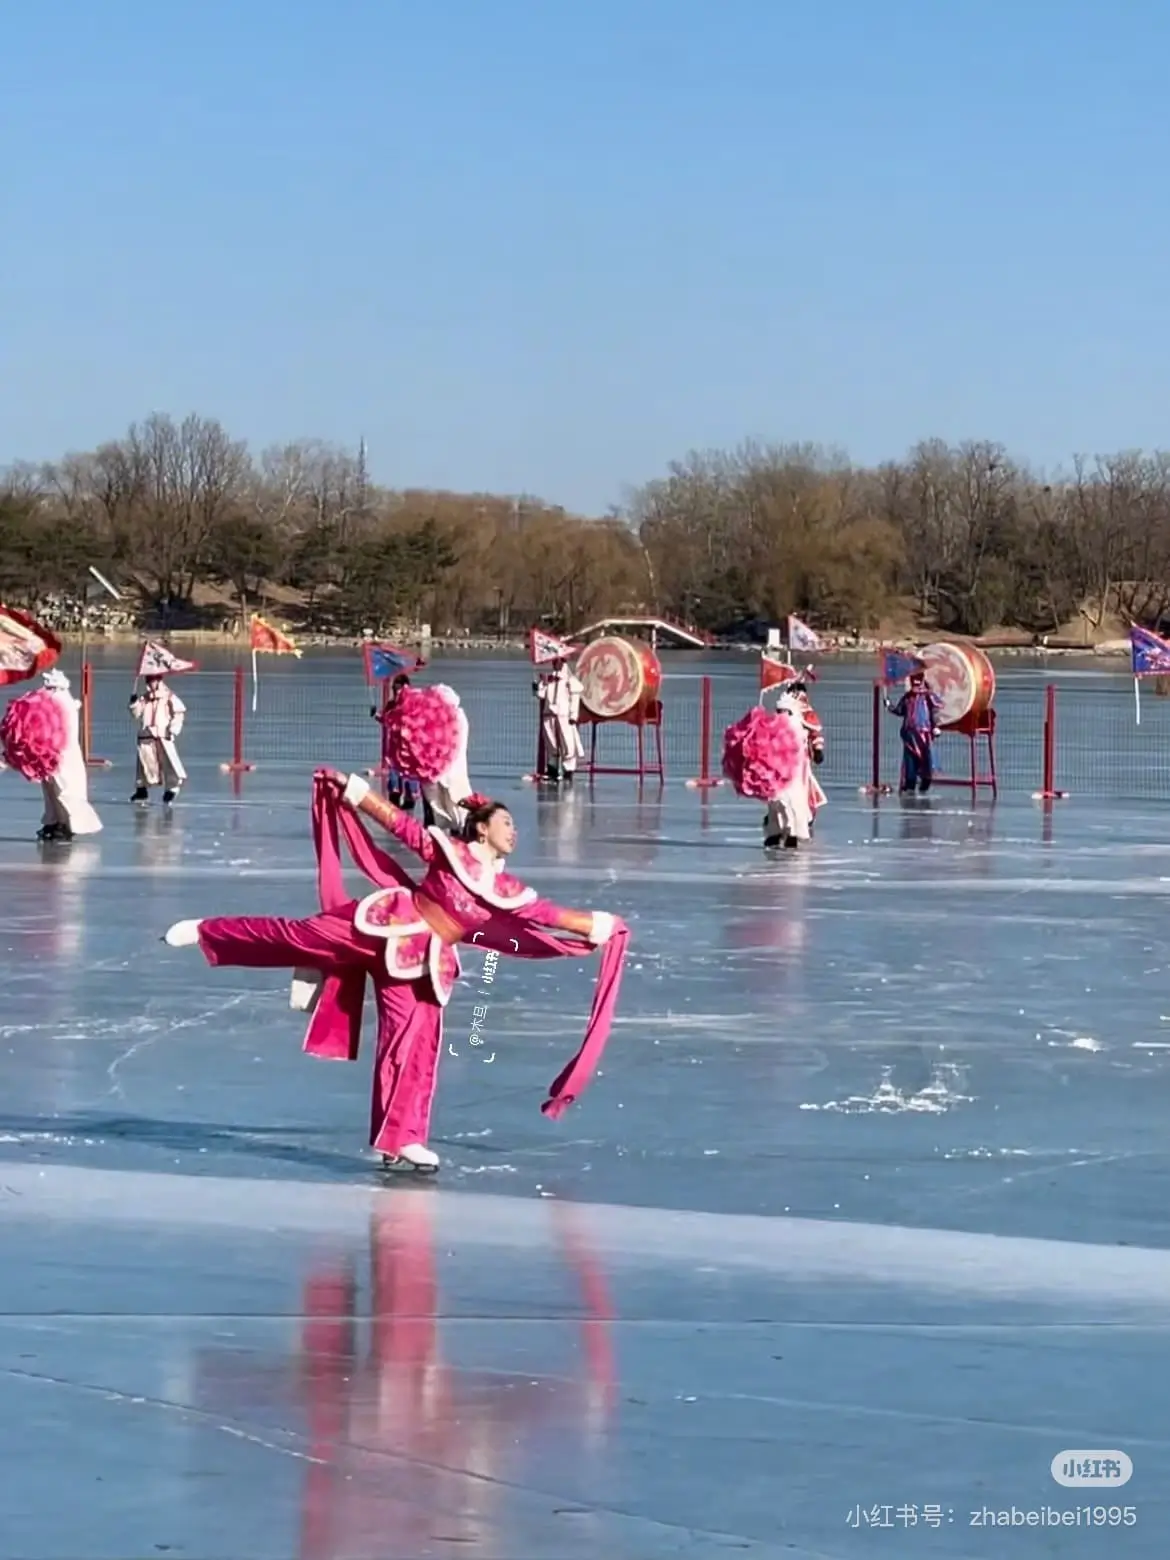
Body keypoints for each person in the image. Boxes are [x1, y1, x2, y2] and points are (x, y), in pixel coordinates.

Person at [162, 774, 628, 1174]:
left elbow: (547, 914)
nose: (515, 831)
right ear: (482, 828)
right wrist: (357, 792)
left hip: (423, 960)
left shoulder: (505, 887)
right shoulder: (449, 850)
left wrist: (598, 925)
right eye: (507, 822)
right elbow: (403, 827)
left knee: (413, 1044)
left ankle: (400, 1139)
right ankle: (206, 931)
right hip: (385, 923)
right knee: (296, 936)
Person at [36, 670, 102, 842]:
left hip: (62, 754)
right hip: (50, 753)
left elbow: (58, 729)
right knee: (51, 791)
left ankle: (67, 824)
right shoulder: (54, 702)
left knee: (64, 790)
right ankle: (54, 820)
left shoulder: (61, 703)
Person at [129, 674, 187, 805]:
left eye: (152, 681)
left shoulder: (168, 696)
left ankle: (172, 788)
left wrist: (173, 729)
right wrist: (134, 703)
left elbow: (179, 712)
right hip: (146, 735)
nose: (150, 684)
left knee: (169, 763)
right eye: (148, 682)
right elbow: (136, 714)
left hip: (163, 735)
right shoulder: (145, 698)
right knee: (144, 764)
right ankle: (141, 790)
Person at [371, 672, 421, 812]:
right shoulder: (392, 705)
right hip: (395, 750)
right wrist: (376, 715)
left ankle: (409, 813)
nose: (396, 692)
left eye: (398, 689)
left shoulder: (414, 705)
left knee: (410, 786)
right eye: (394, 689)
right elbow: (386, 720)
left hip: (410, 750)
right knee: (394, 785)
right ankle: (394, 815)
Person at [887, 669, 942, 793]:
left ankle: (925, 783)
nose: (916, 684)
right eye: (914, 680)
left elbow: (935, 712)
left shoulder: (928, 696)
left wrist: (936, 726)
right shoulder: (907, 697)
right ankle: (910, 784)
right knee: (910, 760)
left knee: (927, 760)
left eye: (918, 680)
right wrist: (889, 706)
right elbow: (900, 711)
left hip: (924, 734)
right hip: (910, 734)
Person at [534, 657, 584, 784]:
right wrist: (540, 685)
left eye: (559, 662)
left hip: (564, 715)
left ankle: (568, 770)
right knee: (551, 742)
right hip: (549, 714)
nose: (556, 664)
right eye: (554, 662)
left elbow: (575, 699)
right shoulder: (549, 679)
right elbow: (541, 695)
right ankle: (553, 769)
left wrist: (573, 715)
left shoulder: (570, 681)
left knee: (567, 742)